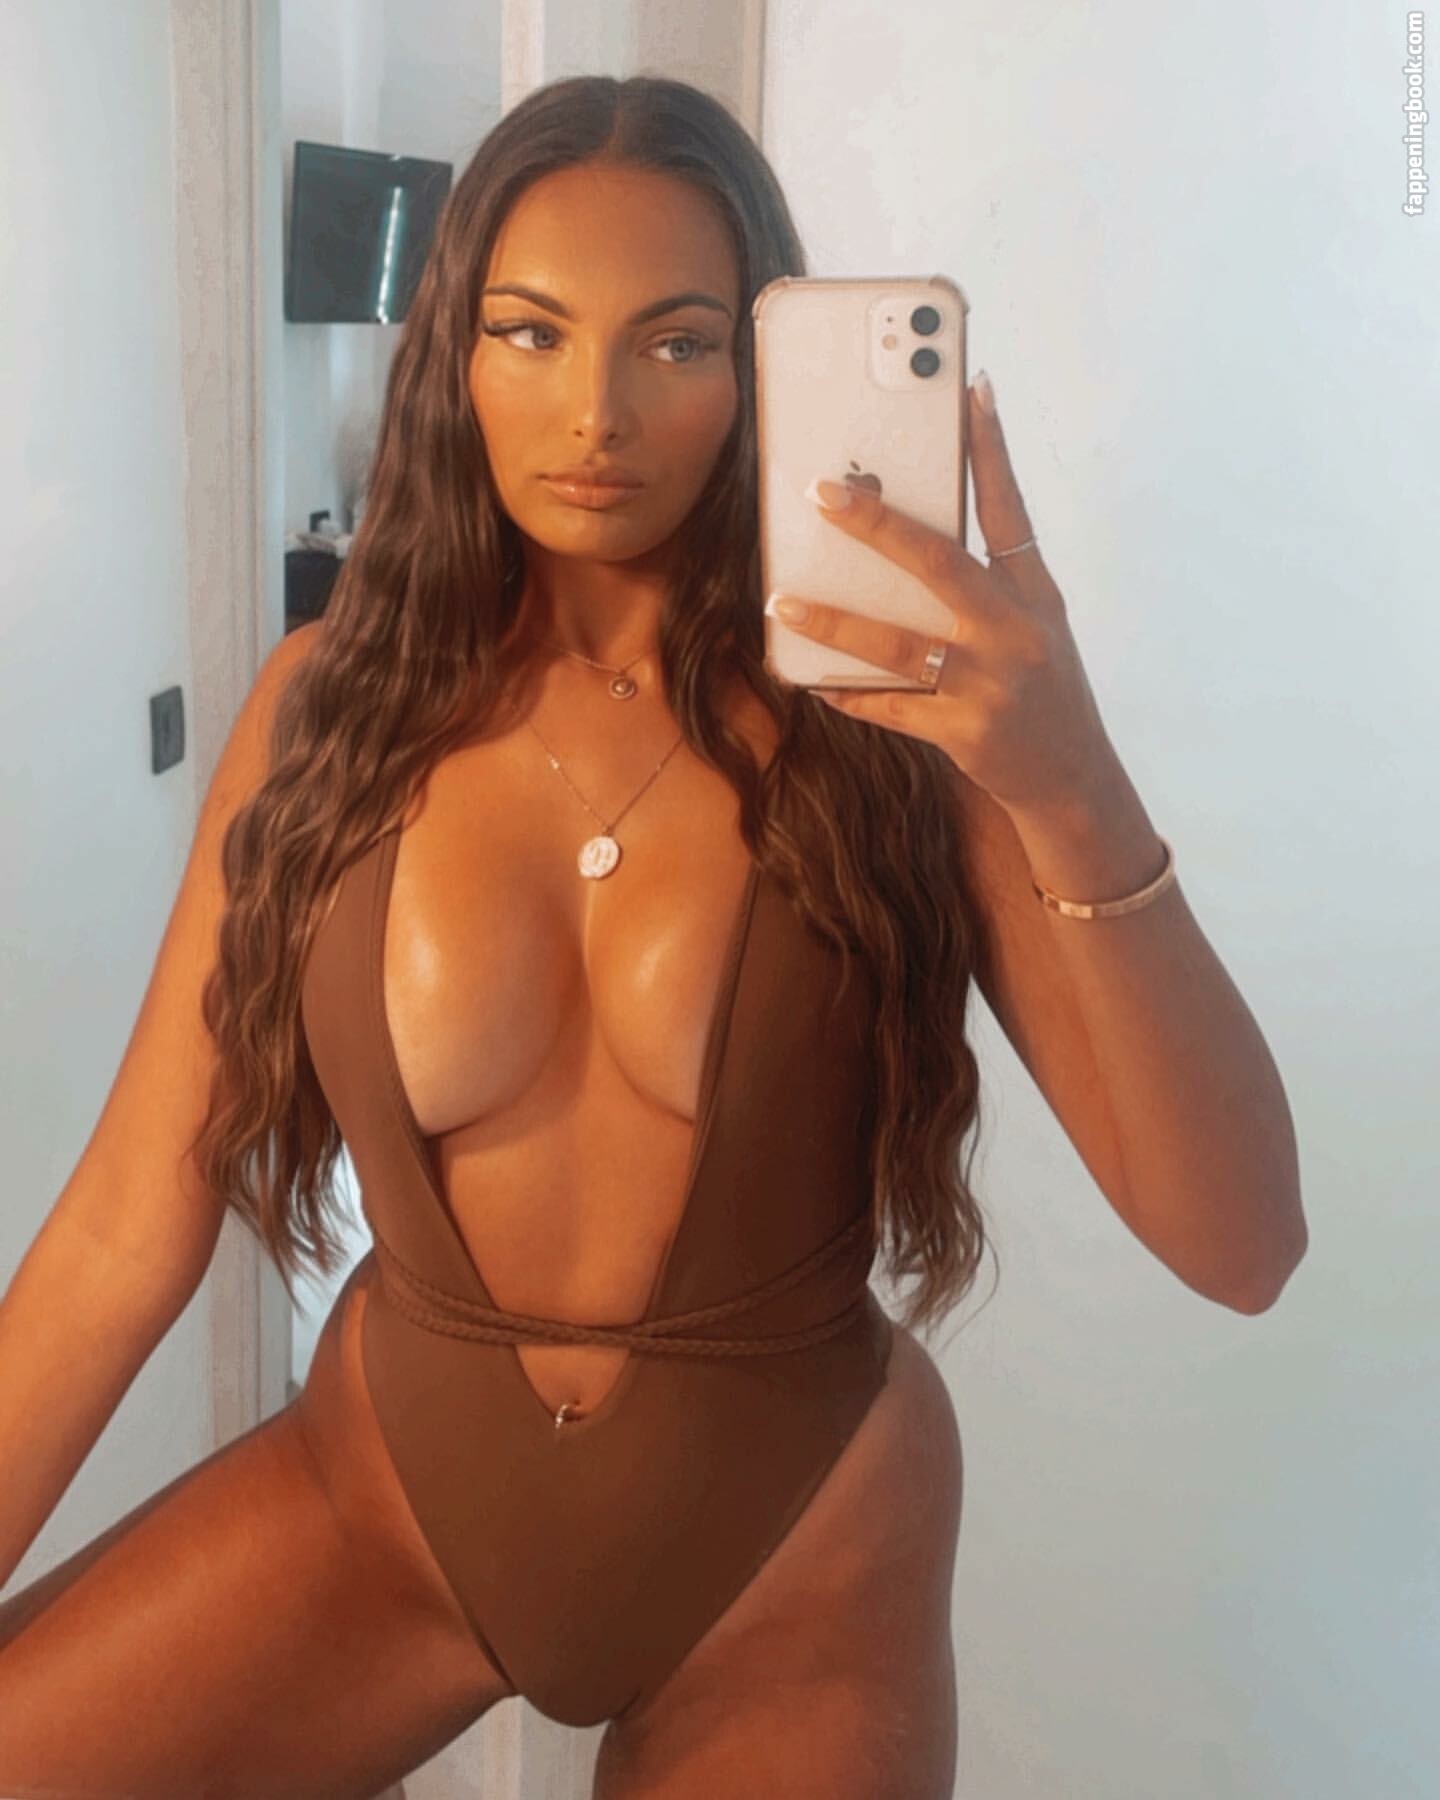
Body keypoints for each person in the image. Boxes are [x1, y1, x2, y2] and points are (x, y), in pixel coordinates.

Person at [0, 73, 1305, 1799]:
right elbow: (120, 1233)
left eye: (677, 343)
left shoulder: (899, 723)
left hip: (795, 1566)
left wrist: (1073, 784)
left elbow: (1241, 1244)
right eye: (531, 333)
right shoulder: (327, 712)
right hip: (389, 1512)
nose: (596, 412)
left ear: (757, 372)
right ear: (453, 352)